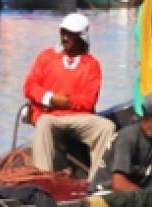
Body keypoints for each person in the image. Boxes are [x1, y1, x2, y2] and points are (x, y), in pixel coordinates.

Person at [22, 13, 115, 180]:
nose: (65, 38)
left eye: (70, 34)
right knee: (43, 124)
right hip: (49, 117)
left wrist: (66, 102)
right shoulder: (46, 57)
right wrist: (50, 98)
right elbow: (30, 86)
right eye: (63, 33)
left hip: (78, 118)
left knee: (106, 127)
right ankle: (43, 181)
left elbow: (88, 101)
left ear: (81, 37)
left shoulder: (92, 65)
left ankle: (96, 182)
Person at [90, 90, 152, 192]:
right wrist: (149, 198)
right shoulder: (128, 136)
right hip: (105, 195)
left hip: (134, 195)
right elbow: (118, 184)